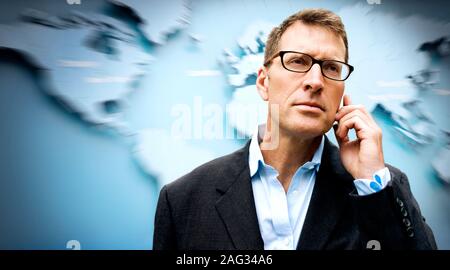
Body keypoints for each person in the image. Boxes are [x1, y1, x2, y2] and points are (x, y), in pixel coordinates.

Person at [153, 8, 437, 250]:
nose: (315, 81)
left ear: (342, 91)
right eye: (298, 61)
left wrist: (371, 182)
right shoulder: (182, 200)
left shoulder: (379, 187)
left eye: (331, 67)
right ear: (264, 83)